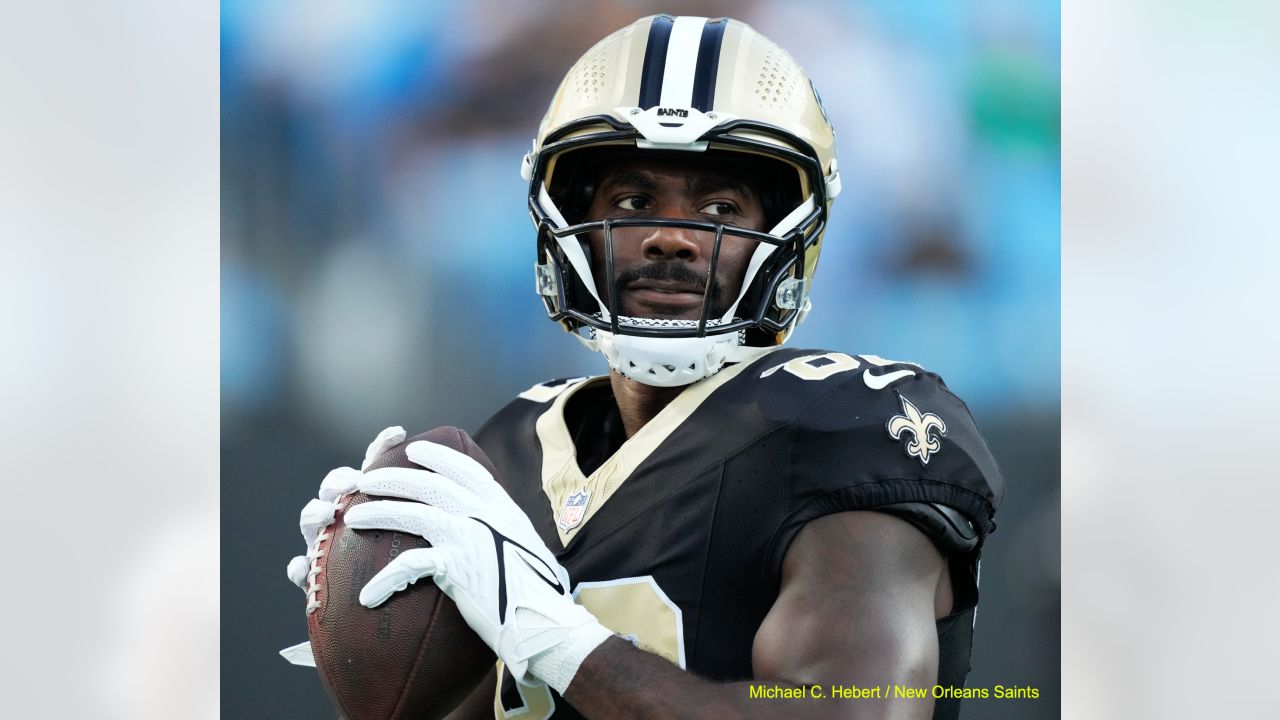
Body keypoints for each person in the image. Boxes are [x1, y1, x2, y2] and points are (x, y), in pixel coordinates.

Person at [286, 15, 1003, 720]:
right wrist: (373, 612)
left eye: (720, 206)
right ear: (564, 220)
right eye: (633, 201)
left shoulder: (850, 430)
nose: (670, 238)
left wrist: (552, 634)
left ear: (789, 236)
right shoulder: (514, 449)